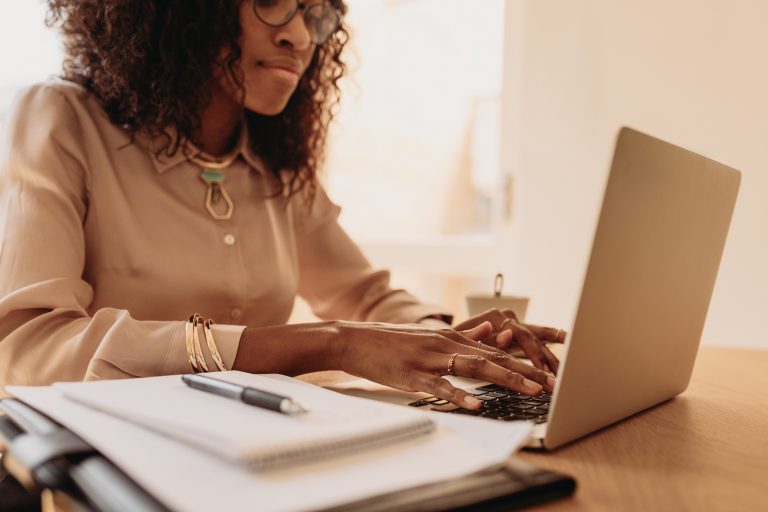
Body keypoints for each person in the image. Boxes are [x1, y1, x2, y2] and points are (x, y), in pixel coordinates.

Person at [0, 0, 564, 410]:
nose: (299, 35)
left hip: (262, 446)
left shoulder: (276, 162)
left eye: (314, 13)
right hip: (115, 463)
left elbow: (363, 294)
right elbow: (26, 351)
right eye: (270, 3)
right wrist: (328, 343)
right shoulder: (60, 120)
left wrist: (459, 343)